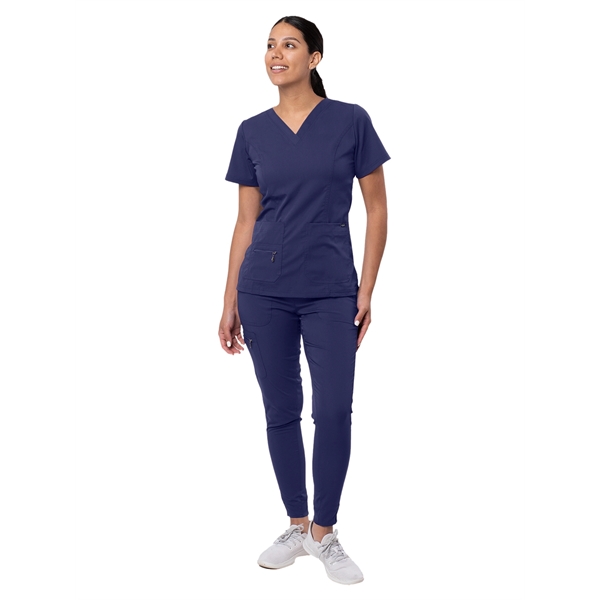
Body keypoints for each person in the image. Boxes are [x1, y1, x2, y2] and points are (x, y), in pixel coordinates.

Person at [218, 15, 390, 585]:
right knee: (280, 410)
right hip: (263, 290)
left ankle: (325, 532)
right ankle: (296, 524)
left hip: (331, 289)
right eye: (270, 45)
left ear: (314, 58)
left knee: (334, 410)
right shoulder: (251, 130)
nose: (276, 53)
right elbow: (245, 222)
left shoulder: (350, 120)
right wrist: (228, 300)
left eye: (289, 45)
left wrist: (367, 287)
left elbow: (377, 209)